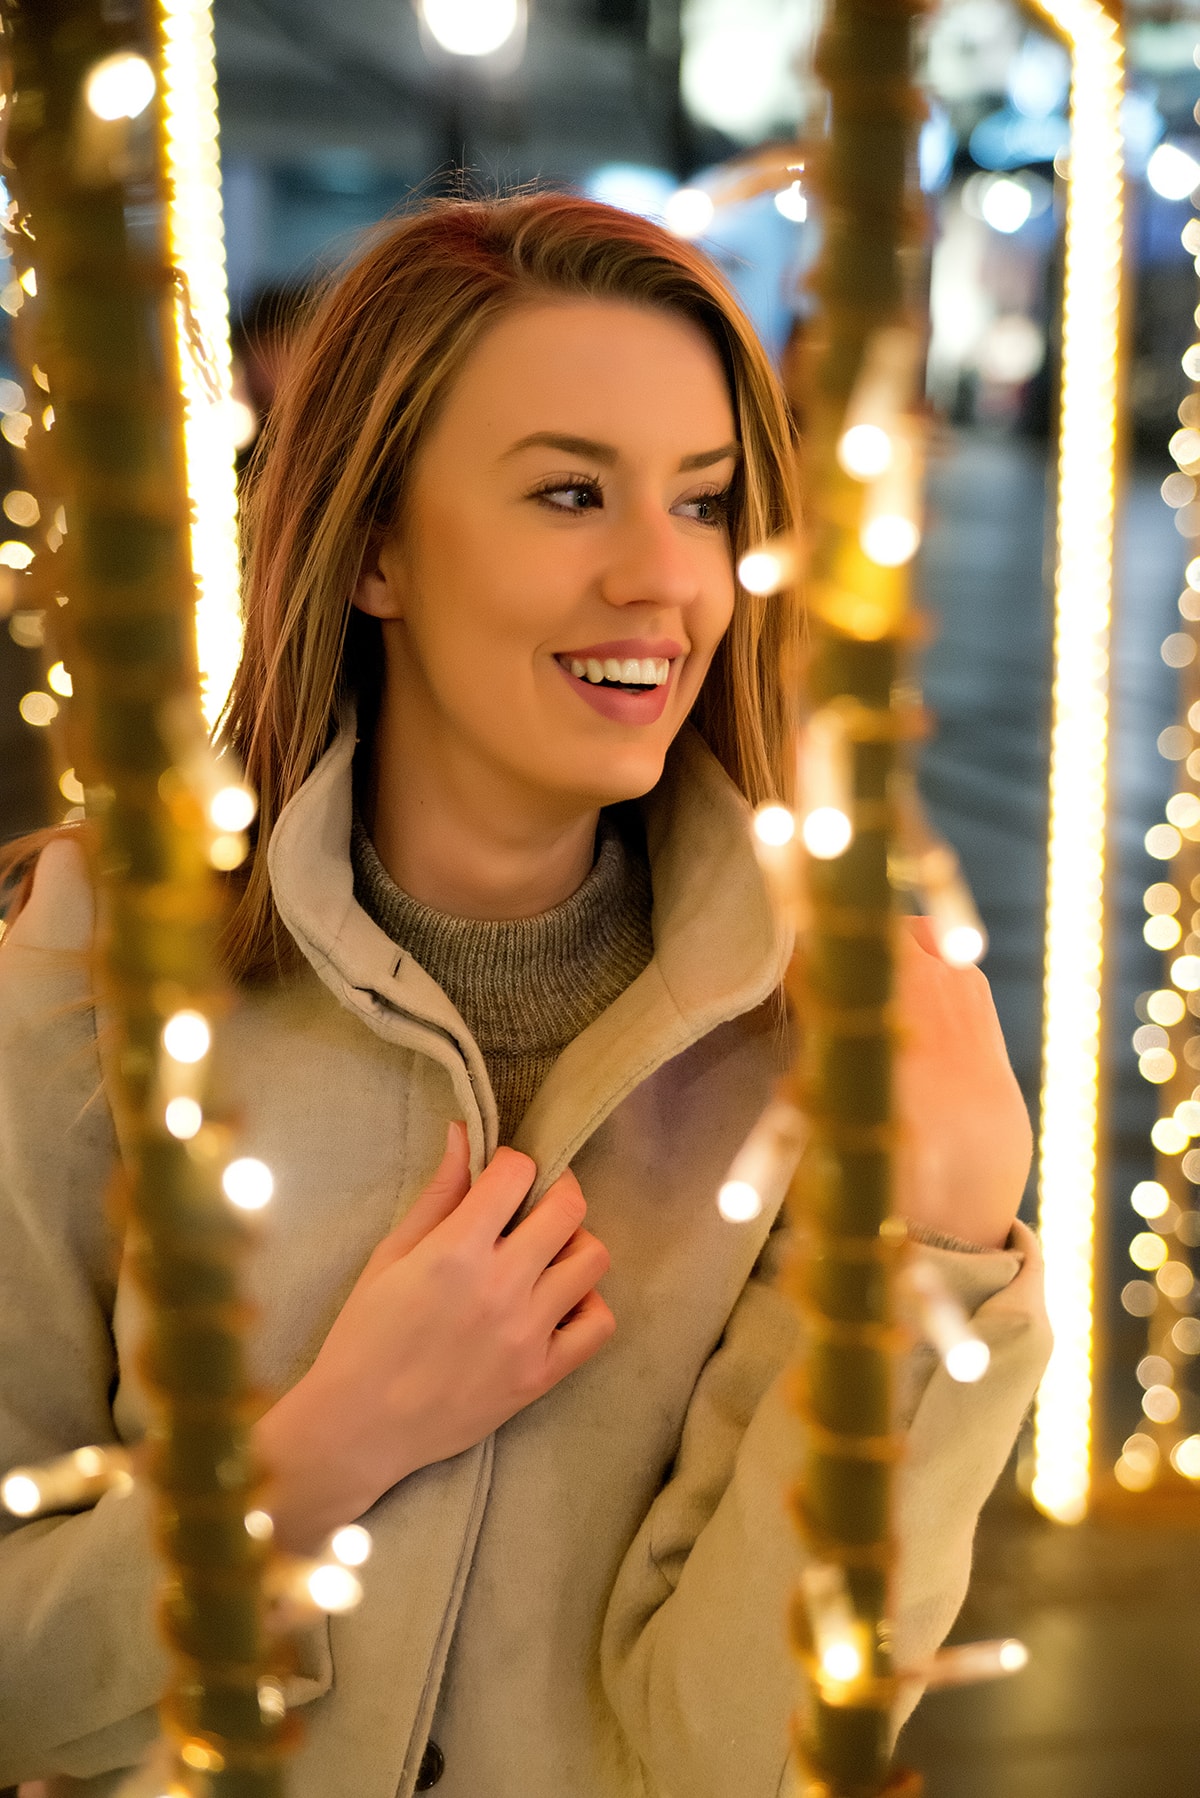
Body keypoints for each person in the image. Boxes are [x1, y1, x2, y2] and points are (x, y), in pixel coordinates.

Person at [0, 194, 1050, 1798]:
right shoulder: (98, 964)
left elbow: (736, 1755)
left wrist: (952, 1251)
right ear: (375, 549)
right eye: (572, 492)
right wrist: (324, 1447)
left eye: (704, 505)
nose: (664, 580)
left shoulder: (810, 1040)